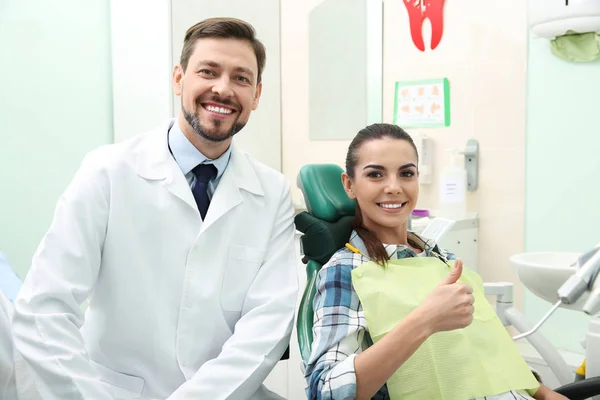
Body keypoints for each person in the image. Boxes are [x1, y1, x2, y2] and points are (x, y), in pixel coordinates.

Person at [11, 17, 298, 400]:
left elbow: (268, 323)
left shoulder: (272, 191)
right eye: (208, 71)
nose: (223, 88)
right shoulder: (109, 172)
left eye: (241, 78)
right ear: (179, 79)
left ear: (257, 95)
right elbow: (44, 308)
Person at [304, 123, 567, 400]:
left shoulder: (441, 259)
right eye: (375, 174)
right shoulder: (346, 271)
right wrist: (424, 320)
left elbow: (488, 350)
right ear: (350, 185)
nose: (394, 187)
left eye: (406, 173)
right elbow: (324, 391)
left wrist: (545, 394)